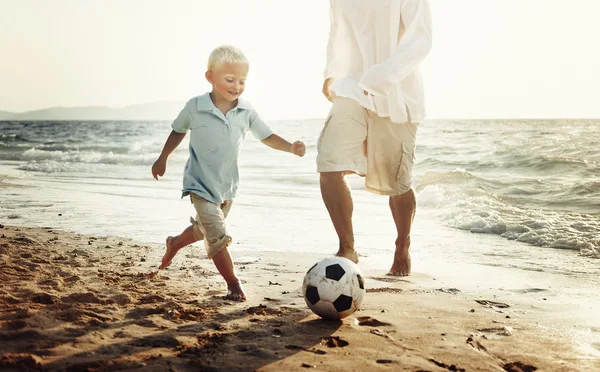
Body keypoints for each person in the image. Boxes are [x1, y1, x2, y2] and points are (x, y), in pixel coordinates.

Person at [151, 45, 306, 301]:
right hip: (199, 183)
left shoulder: (246, 110)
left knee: (204, 230)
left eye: (242, 81)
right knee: (217, 234)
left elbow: (266, 136)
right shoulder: (195, 106)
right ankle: (233, 284)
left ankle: (176, 242)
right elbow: (178, 131)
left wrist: (290, 147)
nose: (237, 86)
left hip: (227, 186)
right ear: (210, 77)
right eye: (230, 80)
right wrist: (163, 157)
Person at [318, 0, 432, 276]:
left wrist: (382, 76)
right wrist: (330, 73)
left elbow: (421, 40)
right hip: (350, 86)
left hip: (396, 91)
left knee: (397, 182)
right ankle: (347, 248)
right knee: (329, 162)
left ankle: (402, 244)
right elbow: (338, 29)